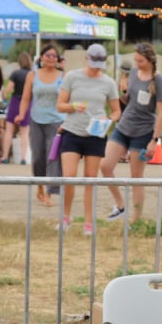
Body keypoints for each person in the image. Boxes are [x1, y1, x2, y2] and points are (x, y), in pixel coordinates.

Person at [57, 43, 123, 235]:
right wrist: (73, 106)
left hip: (96, 134)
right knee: (68, 177)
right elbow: (60, 105)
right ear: (86, 59)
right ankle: (65, 217)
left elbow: (117, 111)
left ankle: (88, 223)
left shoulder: (108, 83)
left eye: (99, 65)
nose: (95, 69)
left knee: (90, 180)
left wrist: (108, 119)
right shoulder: (72, 77)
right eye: (93, 64)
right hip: (72, 130)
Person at [99, 42, 162, 220]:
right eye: (135, 60)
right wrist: (122, 91)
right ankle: (120, 205)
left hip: (144, 131)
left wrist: (154, 140)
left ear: (150, 60)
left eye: (141, 60)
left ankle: (135, 219)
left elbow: (161, 112)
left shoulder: (159, 80)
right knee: (105, 166)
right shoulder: (132, 75)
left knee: (136, 176)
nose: (137, 63)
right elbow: (127, 102)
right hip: (124, 126)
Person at [18, 44, 65, 206]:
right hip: (36, 120)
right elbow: (25, 98)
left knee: (52, 157)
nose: (51, 58)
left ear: (58, 59)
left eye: (54, 56)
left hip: (57, 121)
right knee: (38, 157)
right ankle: (39, 185)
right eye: (48, 55)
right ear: (42, 58)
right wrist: (21, 114)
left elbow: (68, 98)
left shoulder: (63, 76)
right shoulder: (32, 75)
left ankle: (49, 193)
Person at [3, 51, 32, 163]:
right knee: (24, 132)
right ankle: (23, 158)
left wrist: (4, 94)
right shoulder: (32, 74)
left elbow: (8, 89)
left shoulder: (15, 73)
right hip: (28, 102)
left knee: (9, 130)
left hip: (15, 101)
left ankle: (5, 157)